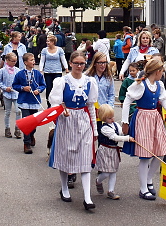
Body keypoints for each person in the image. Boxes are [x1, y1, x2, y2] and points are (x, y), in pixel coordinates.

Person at [121, 57, 166, 201]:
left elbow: (165, 102)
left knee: (161, 152)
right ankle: (143, 188)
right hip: (143, 119)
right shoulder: (141, 85)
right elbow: (127, 101)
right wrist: (125, 121)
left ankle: (149, 180)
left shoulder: (159, 85)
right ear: (157, 71)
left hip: (155, 119)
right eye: (162, 70)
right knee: (145, 156)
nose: (163, 73)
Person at [48, 51, 99, 211]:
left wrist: (95, 129)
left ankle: (87, 197)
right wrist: (61, 109)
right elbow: (55, 102)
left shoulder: (90, 81)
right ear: (70, 64)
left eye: (82, 63)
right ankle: (64, 188)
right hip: (67, 120)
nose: (79, 66)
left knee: (85, 157)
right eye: (76, 63)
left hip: (83, 121)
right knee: (66, 155)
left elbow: (91, 106)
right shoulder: (62, 81)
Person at [94, 104, 132, 200]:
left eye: (113, 117)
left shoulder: (115, 125)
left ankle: (111, 191)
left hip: (113, 151)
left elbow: (121, 132)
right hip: (105, 151)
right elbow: (114, 137)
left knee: (113, 171)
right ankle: (98, 180)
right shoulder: (104, 128)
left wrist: (126, 127)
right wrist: (127, 138)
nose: (112, 119)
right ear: (103, 118)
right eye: (109, 118)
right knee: (106, 172)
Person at [12, 52, 46, 154]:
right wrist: (23, 88)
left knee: (34, 123)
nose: (33, 62)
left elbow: (43, 85)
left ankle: (31, 134)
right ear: (25, 62)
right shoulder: (20, 74)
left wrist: (39, 90)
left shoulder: (38, 74)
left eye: (34, 60)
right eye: (31, 60)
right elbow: (15, 85)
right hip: (24, 101)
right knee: (27, 122)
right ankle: (26, 143)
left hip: (34, 101)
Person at [0, 52, 22, 139]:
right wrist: (4, 88)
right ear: (7, 61)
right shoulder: (2, 71)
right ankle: (7, 128)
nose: (14, 63)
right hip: (7, 94)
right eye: (12, 61)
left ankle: (17, 128)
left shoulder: (18, 70)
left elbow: (20, 82)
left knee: (18, 111)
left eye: (15, 61)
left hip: (16, 93)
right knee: (7, 112)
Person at [39, 34, 67, 106]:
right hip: (48, 72)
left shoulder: (59, 50)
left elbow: (63, 59)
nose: (47, 43)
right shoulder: (44, 50)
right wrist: (40, 70)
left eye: (48, 41)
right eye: (47, 41)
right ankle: (49, 104)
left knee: (57, 87)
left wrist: (66, 68)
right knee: (49, 88)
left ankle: (57, 103)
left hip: (57, 71)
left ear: (53, 42)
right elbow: (42, 61)